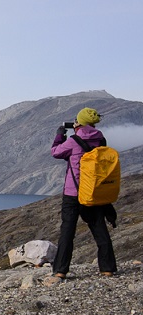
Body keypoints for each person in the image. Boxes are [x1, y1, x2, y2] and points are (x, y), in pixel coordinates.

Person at [48, 107, 116, 284]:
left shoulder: (73, 141)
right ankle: (107, 269)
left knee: (67, 231)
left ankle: (61, 271)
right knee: (99, 228)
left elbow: (55, 152)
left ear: (79, 122)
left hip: (73, 193)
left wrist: (59, 136)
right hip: (92, 191)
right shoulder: (101, 140)